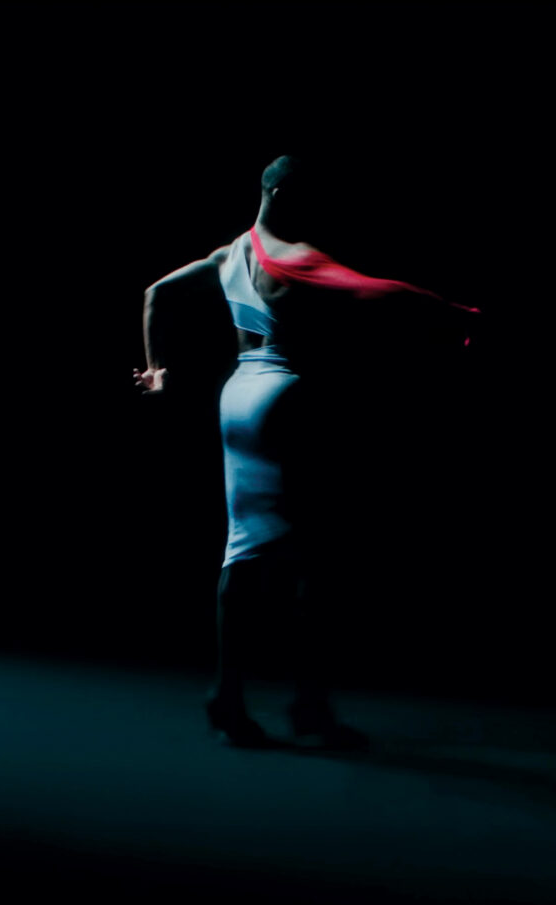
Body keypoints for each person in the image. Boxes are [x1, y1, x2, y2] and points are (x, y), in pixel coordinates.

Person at [134, 155, 479, 749]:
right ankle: (308, 706)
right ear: (285, 194)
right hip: (283, 398)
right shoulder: (297, 258)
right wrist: (456, 315)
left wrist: (156, 371)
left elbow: (155, 293)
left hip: (235, 397)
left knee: (240, 550)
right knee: (312, 560)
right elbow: (377, 290)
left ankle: (229, 697)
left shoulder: (231, 252)